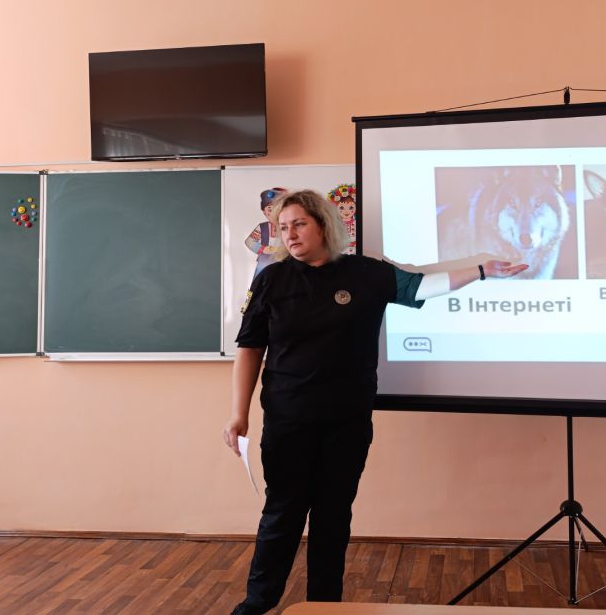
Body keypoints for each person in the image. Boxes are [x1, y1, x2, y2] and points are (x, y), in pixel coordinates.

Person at [222, 189, 527, 615]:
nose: (289, 234)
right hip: (288, 422)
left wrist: (481, 270)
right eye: (284, 227)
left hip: (346, 423)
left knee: (332, 518)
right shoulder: (272, 279)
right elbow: (250, 348)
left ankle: (326, 606)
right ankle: (257, 604)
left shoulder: (366, 273)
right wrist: (238, 414)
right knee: (281, 515)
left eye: (299, 224)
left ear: (324, 225)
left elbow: (422, 286)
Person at [244, 187, 288, 281]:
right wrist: (263, 248)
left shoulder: (289, 228)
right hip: (264, 265)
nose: (274, 214)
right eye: (270, 210)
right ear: (264, 212)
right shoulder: (262, 227)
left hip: (284, 265)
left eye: (278, 209)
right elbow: (249, 242)